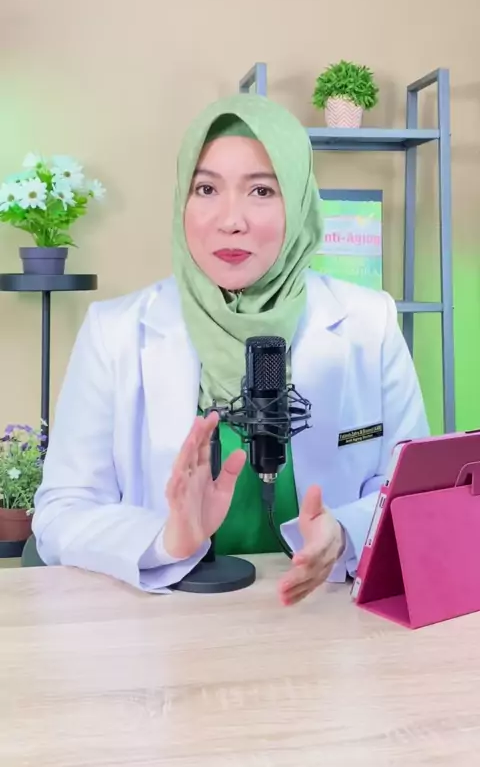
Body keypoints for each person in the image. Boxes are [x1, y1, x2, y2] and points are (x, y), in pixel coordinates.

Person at [32, 93, 429, 605]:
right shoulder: (115, 331)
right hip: (163, 624)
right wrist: (166, 540)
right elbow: (62, 512)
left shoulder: (369, 323)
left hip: (326, 617)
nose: (230, 220)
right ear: (183, 200)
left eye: (262, 190)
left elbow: (411, 493)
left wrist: (345, 534)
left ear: (299, 201)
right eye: (206, 188)